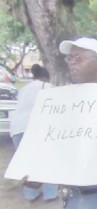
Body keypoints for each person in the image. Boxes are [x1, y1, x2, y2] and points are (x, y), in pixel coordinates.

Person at [58, 37, 97, 208]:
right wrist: (35, 171)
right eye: (69, 58)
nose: (71, 63)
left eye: (78, 58)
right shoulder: (59, 103)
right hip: (73, 196)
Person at [9, 64, 58, 202]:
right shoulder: (49, 87)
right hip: (36, 128)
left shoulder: (23, 89)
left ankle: (30, 194)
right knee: (47, 160)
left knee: (28, 162)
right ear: (46, 77)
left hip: (17, 129)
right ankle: (50, 194)